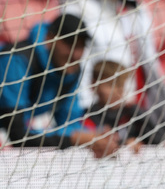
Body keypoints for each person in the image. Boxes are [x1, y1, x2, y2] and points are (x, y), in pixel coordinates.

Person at [0, 13, 119, 157]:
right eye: (69, 44)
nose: (75, 55)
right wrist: (76, 139)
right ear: (49, 39)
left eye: (80, 46)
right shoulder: (16, 60)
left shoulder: (71, 70)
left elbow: (70, 124)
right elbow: (17, 134)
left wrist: (98, 137)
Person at [60, 0, 165, 139]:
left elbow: (149, 61)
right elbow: (79, 64)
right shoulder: (78, 7)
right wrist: (87, 105)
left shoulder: (135, 9)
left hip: (125, 103)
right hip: (92, 107)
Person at [85, 60, 165, 152]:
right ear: (94, 84)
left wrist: (140, 114)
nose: (118, 90)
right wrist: (124, 143)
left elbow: (160, 140)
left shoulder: (132, 113)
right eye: (111, 85)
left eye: (121, 84)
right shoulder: (88, 116)